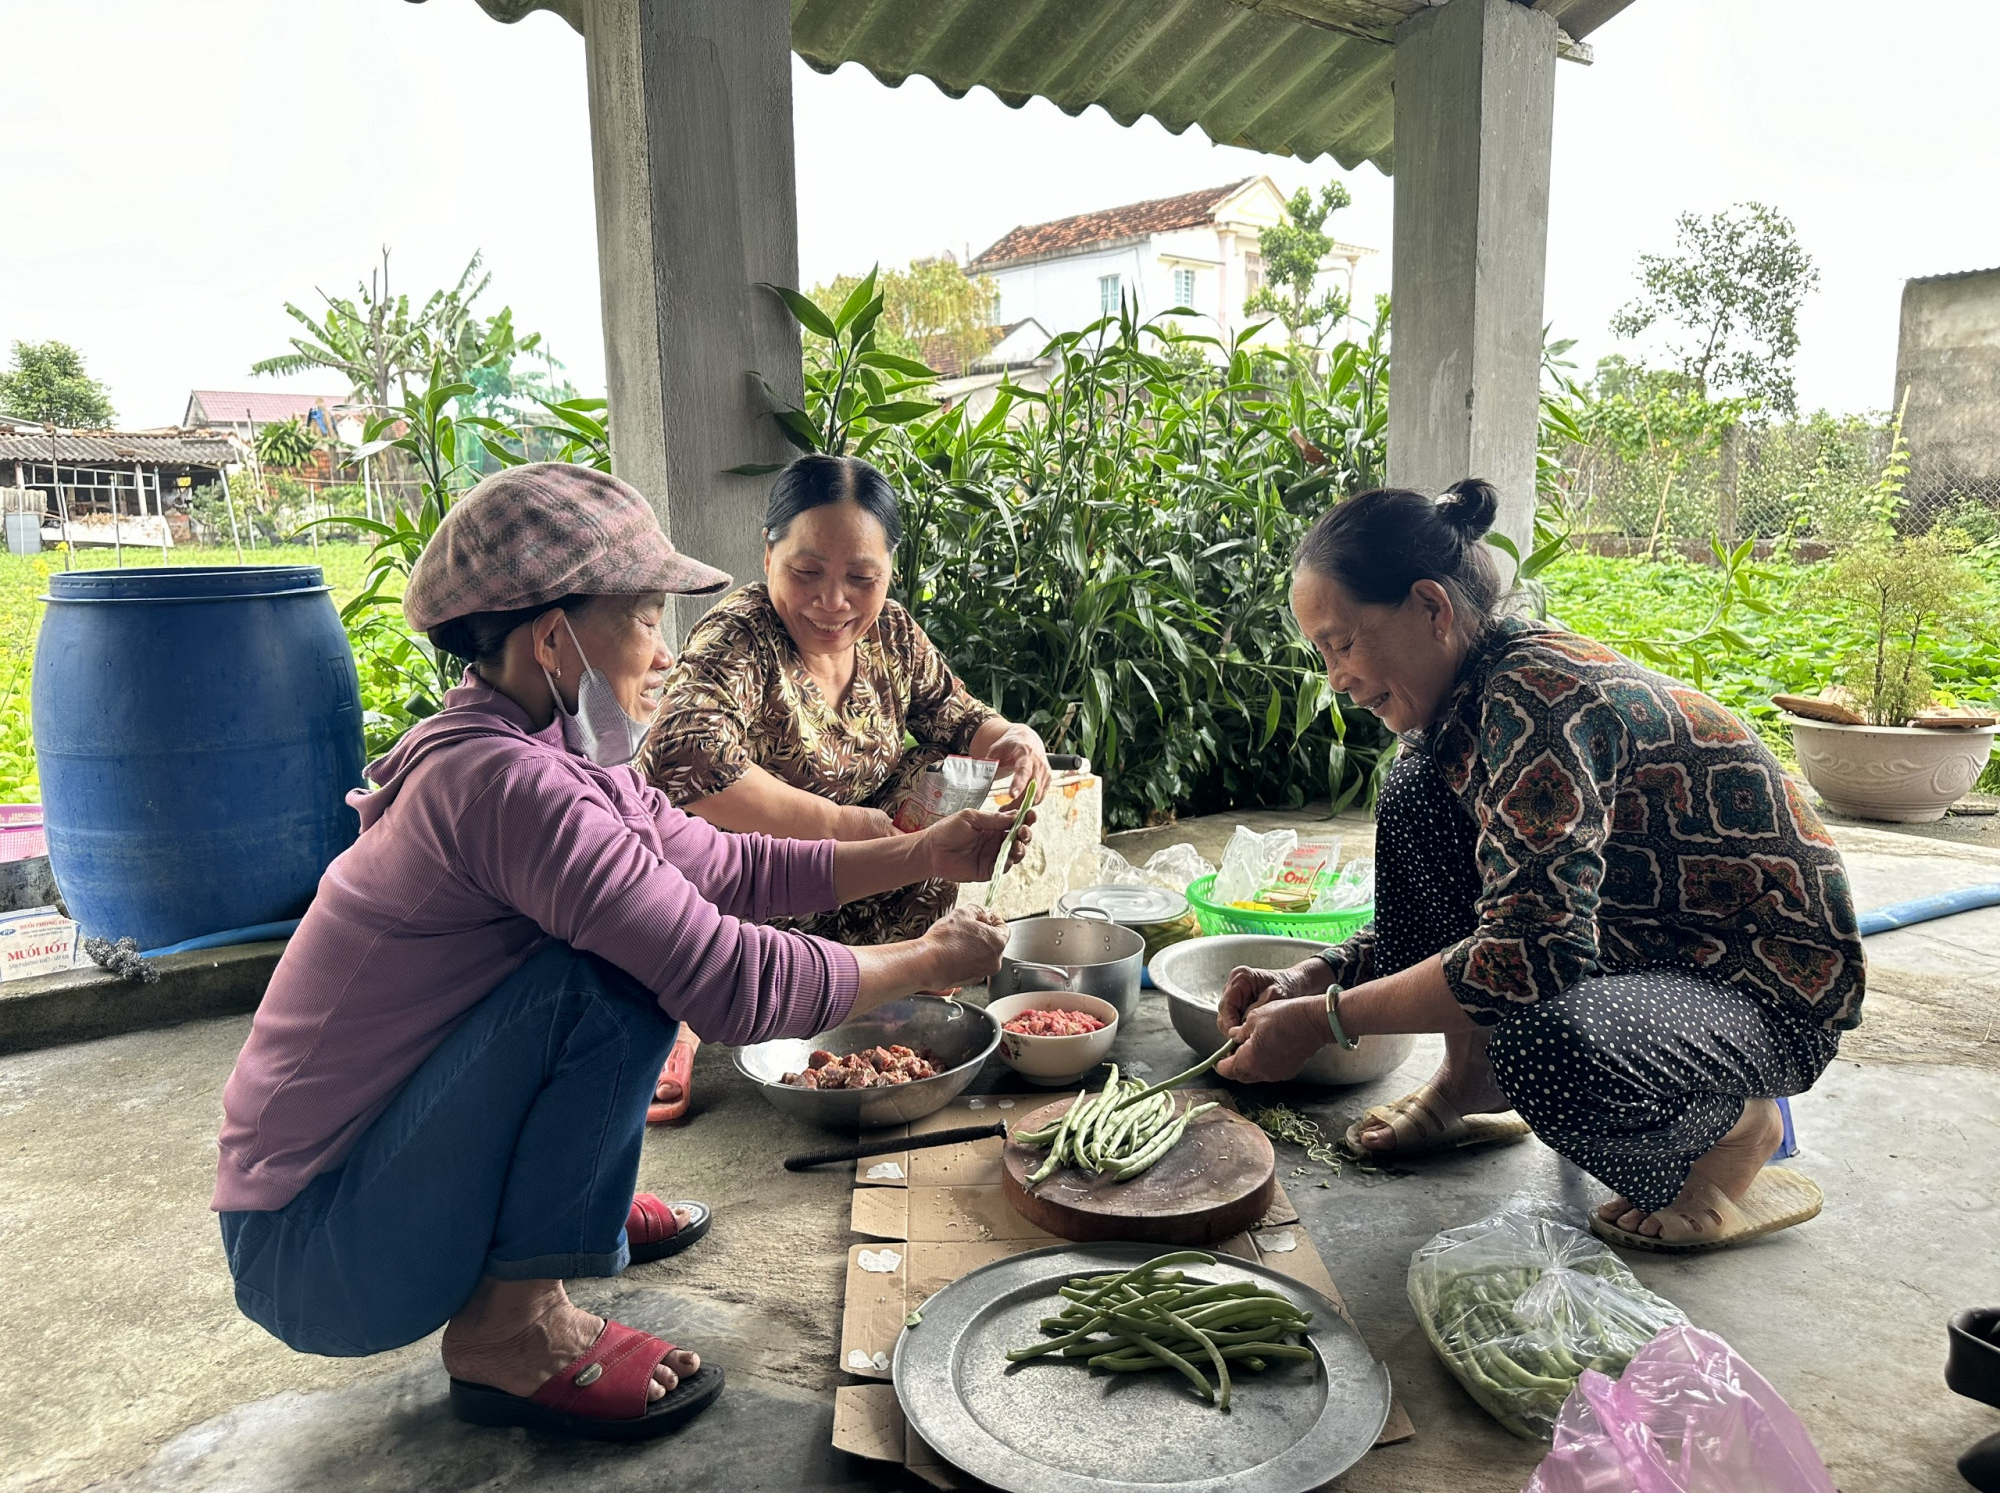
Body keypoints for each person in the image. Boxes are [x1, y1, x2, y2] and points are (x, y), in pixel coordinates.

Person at [212, 464, 1025, 1441]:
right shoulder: (507, 787)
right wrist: (925, 961)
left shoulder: (552, 749)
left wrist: (919, 851)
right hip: (319, 1249)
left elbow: (724, 865)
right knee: (607, 981)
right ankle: (512, 1329)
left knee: (612, 954)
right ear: (554, 638)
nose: (665, 652)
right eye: (643, 619)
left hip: (368, 1191)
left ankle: (550, 1217)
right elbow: (724, 978)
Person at [1216, 479, 1864, 1255]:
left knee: (1546, 1049)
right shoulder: (1463, 709)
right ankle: (1470, 1079)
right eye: (1323, 653)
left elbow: (1534, 955)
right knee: (1416, 794)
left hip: (1761, 987)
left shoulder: (1541, 703)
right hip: (1641, 946)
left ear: (1431, 607)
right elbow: (1485, 912)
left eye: (1343, 642)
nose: (1336, 678)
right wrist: (1316, 977)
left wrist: (1327, 1021)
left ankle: (1735, 1127)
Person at [641, 453, 1052, 950]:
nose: (833, 601)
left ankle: (901, 962)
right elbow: (683, 760)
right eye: (807, 571)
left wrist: (1015, 738)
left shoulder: (891, 632)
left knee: (937, 768)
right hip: (762, 910)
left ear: (889, 569)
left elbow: (957, 716)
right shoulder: (740, 636)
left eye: (861, 578)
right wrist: (839, 825)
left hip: (874, 895)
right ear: (768, 555)